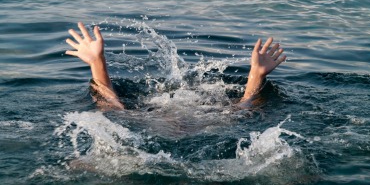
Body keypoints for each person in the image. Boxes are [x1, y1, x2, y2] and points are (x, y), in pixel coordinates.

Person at [63, 22, 287, 110]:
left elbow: (111, 104)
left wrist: (97, 62)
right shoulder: (216, 117)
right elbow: (246, 105)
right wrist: (256, 74)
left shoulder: (145, 117)